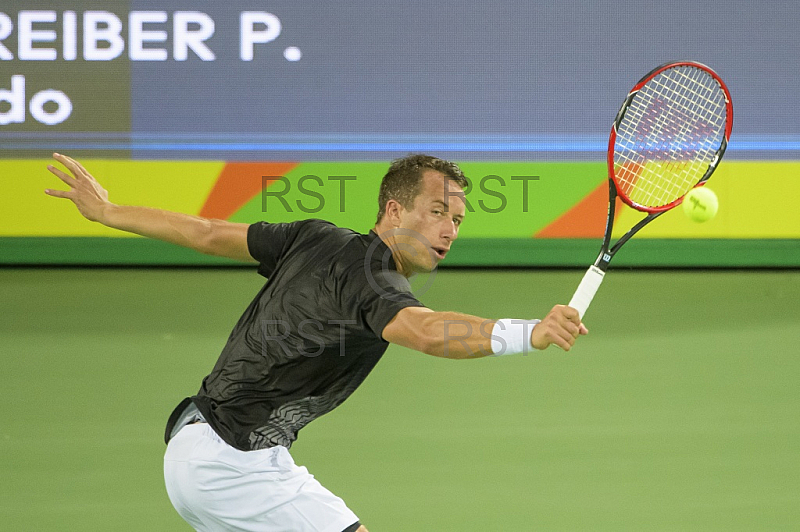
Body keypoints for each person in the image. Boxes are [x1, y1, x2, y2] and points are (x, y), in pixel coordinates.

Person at [45, 152, 588, 532]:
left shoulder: (314, 235)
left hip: (202, 447)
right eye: (438, 212)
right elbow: (423, 331)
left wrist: (109, 211)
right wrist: (528, 333)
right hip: (232, 461)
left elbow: (207, 232)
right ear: (394, 211)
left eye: (458, 220)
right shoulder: (377, 282)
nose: (449, 230)